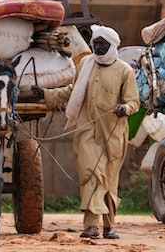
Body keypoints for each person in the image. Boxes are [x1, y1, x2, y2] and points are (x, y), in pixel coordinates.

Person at [32, 25, 140, 240]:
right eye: (96, 43)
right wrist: (46, 94)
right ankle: (91, 226)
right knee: (91, 175)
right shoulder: (85, 64)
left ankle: (109, 226)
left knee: (109, 181)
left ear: (112, 46)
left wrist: (125, 109)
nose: (98, 47)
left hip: (113, 134)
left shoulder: (124, 71)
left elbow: (134, 101)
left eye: (103, 44)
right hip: (87, 131)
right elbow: (72, 91)